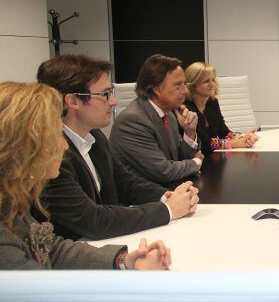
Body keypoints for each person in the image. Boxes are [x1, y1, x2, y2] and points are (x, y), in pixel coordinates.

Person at [0, 82, 171, 270]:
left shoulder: (11, 203)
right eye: (54, 136)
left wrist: (124, 261)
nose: (64, 146)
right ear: (22, 147)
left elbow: (49, 249)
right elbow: (36, 294)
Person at [36, 55, 199, 241]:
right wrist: (168, 209)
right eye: (105, 94)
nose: (113, 101)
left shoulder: (95, 136)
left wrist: (167, 195)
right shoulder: (49, 155)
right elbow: (93, 221)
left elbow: (125, 183)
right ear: (73, 101)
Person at [110, 54, 203, 186]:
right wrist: (196, 162)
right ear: (156, 89)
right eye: (178, 85)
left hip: (169, 190)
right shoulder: (132, 120)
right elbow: (164, 171)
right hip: (142, 200)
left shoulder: (168, 114)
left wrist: (189, 132)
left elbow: (179, 160)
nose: (186, 91)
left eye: (184, 84)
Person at [184, 62, 259, 154]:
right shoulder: (186, 109)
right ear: (193, 85)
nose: (212, 84)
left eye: (213, 80)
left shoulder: (212, 102)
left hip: (214, 157)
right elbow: (205, 144)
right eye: (206, 81)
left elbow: (223, 131)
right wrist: (235, 143)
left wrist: (242, 138)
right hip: (197, 160)